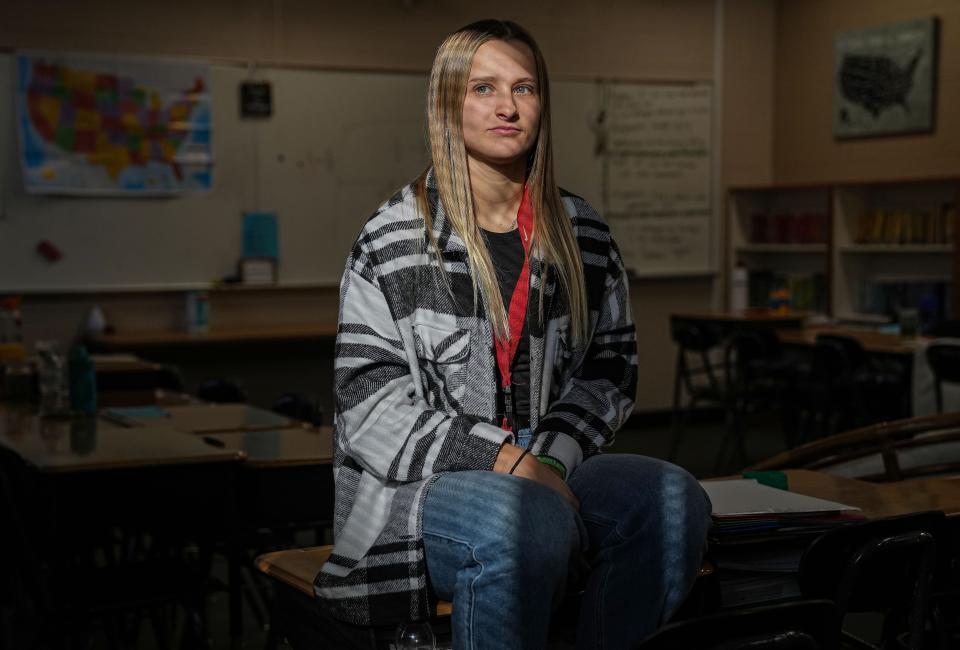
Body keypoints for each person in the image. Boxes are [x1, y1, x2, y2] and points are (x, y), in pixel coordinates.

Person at [316, 18, 712, 650]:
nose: (506, 106)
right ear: (448, 103)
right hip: (422, 493)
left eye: (523, 88)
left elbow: (610, 368)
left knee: (673, 502)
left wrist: (550, 457)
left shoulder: (582, 233)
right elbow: (370, 407)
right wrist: (509, 460)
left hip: (552, 466)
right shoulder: (392, 238)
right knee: (519, 520)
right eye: (483, 88)